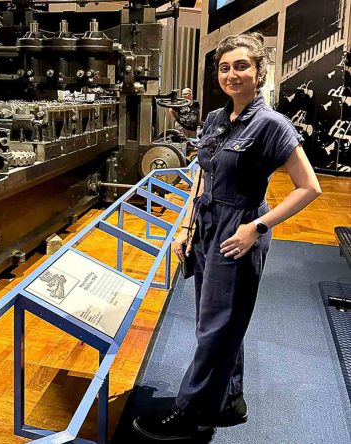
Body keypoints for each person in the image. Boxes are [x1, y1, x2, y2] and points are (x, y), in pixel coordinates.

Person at [132, 32, 323, 440]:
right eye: (224, 67)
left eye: (241, 66)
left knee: (215, 327)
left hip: (240, 229)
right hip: (206, 226)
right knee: (218, 320)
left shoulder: (272, 125)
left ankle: (191, 411)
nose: (232, 74)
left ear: (259, 71)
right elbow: (204, 173)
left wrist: (257, 228)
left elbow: (309, 187)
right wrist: (186, 226)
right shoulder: (216, 119)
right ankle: (229, 399)